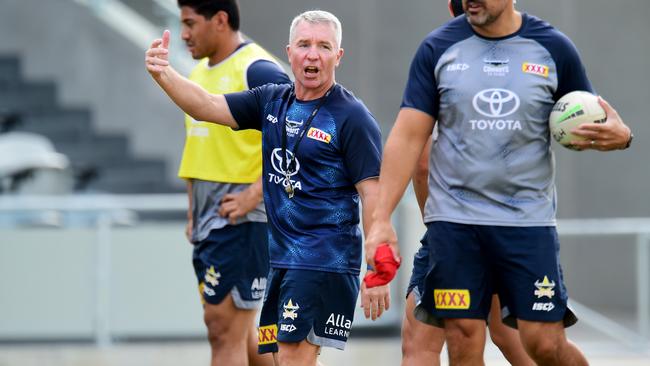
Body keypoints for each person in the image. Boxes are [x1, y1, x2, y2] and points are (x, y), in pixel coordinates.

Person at [366, 0, 633, 365]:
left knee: (543, 343)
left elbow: (590, 118)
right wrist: (381, 218)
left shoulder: (554, 48)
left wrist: (620, 137)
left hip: (526, 223)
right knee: (462, 338)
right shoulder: (437, 48)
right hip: (456, 223)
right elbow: (408, 136)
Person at [145, 9, 387, 366]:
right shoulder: (273, 100)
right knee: (275, 356)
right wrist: (163, 73)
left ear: (338, 56)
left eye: (324, 46)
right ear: (289, 52)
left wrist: (378, 269)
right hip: (283, 258)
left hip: (324, 257)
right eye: (304, 44)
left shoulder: (352, 117)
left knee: (290, 358)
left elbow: (374, 195)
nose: (313, 55)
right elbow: (207, 107)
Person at [173, 1, 289, 365]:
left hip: (242, 217)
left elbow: (295, 136)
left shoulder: (258, 69)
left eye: (190, 23)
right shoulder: (196, 76)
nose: (183, 34)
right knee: (239, 333)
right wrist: (194, 210)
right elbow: (197, 148)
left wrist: (254, 194)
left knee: (223, 330)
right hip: (210, 215)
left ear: (220, 20)